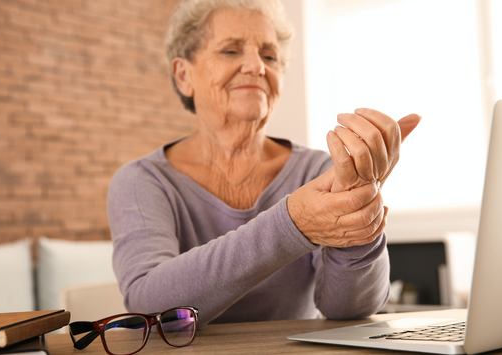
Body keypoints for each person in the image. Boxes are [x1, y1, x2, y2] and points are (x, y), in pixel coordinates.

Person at [107, 0, 421, 328]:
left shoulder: (317, 171)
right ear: (184, 75)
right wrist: (294, 223)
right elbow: (150, 307)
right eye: (230, 50)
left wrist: (359, 211)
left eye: (269, 56)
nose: (257, 67)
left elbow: (350, 309)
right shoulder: (142, 180)